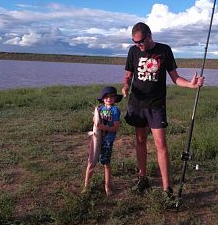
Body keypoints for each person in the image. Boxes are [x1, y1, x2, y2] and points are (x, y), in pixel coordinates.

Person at [122, 22, 204, 203]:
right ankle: (142, 179)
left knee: (161, 144)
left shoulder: (165, 50)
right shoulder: (133, 52)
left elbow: (175, 78)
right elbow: (128, 75)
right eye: (135, 42)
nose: (138, 45)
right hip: (137, 104)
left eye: (140, 42)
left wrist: (191, 85)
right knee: (140, 140)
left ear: (149, 36)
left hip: (156, 105)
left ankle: (167, 189)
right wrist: (126, 86)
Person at [83, 86, 122, 196]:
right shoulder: (99, 109)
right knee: (91, 162)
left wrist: (101, 126)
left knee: (106, 164)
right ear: (103, 99)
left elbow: (115, 127)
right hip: (96, 139)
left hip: (107, 142)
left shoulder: (115, 110)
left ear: (115, 98)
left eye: (111, 97)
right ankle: (86, 186)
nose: (109, 99)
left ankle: (107, 186)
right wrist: (95, 121)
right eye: (106, 97)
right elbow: (95, 121)